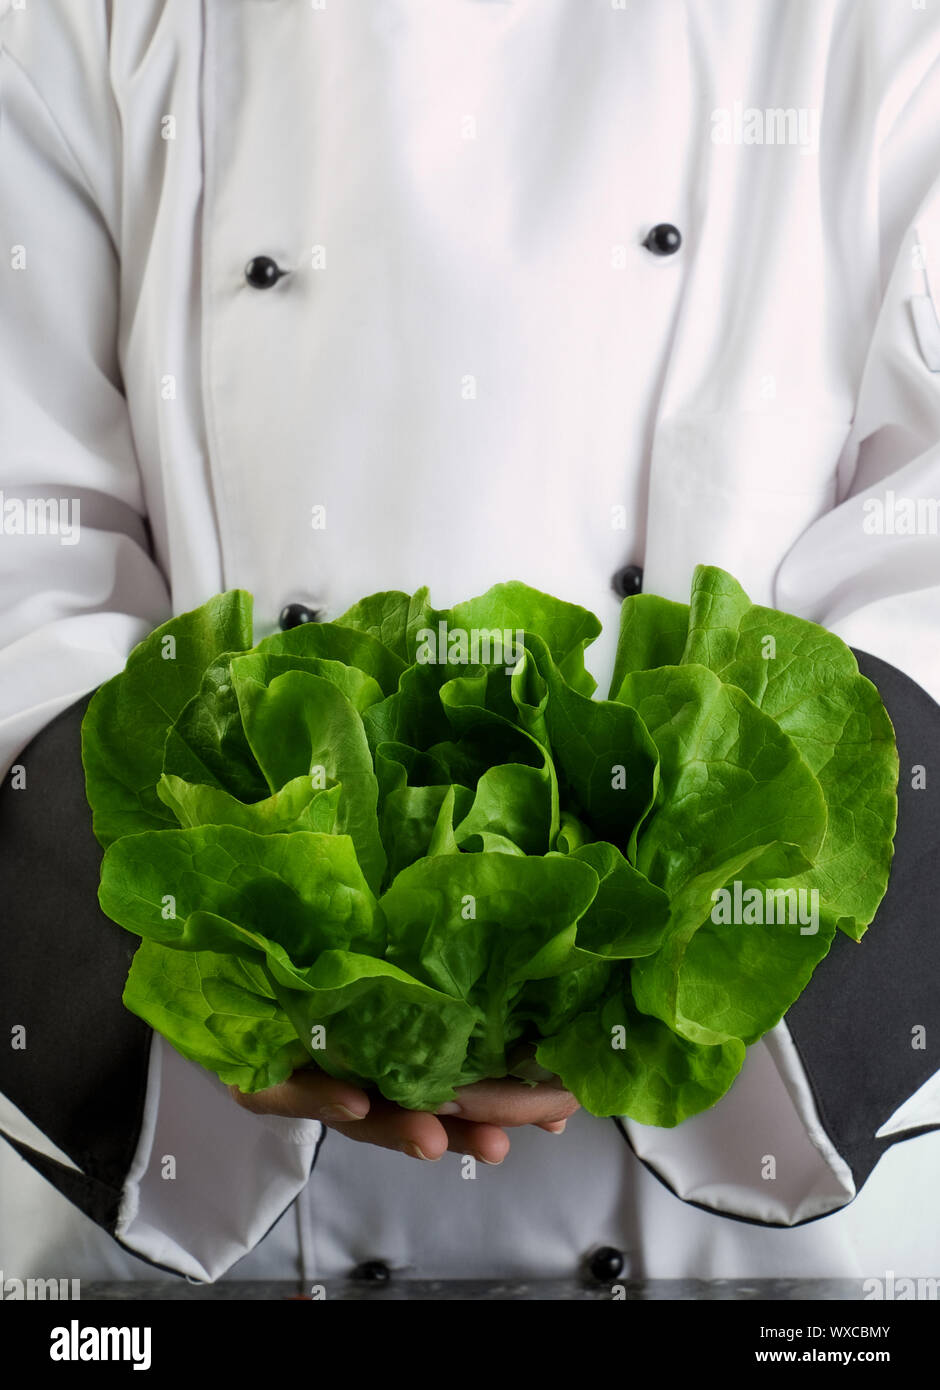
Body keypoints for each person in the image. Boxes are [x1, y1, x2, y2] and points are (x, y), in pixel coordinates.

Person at [1, 0, 939, 1288]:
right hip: (225, 1226)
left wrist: (676, 968)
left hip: (747, 1255)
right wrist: (232, 986)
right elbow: (25, 534)